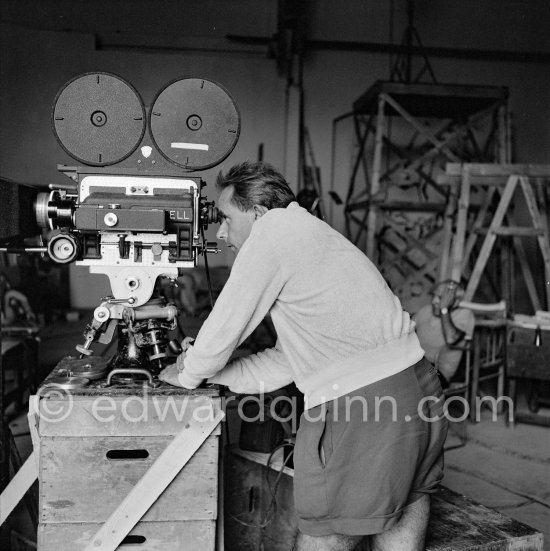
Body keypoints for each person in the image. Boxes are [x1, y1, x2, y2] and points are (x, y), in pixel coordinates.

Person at [159, 160, 448, 551]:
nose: (221, 232)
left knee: (327, 532)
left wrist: (187, 372)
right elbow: (289, 360)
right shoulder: (312, 237)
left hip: (363, 405)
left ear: (258, 212)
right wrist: (218, 374)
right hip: (418, 388)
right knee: (406, 504)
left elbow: (224, 324)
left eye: (225, 218)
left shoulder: (274, 232)